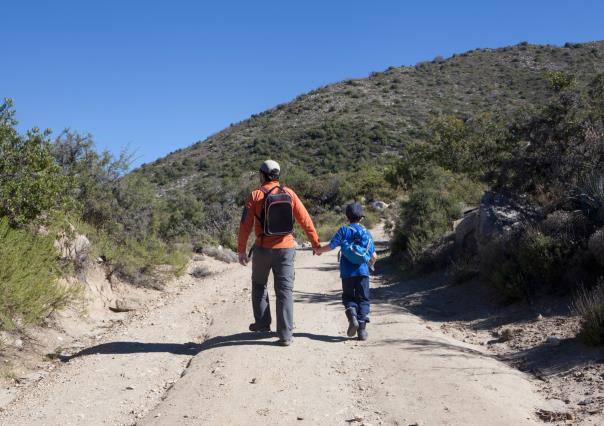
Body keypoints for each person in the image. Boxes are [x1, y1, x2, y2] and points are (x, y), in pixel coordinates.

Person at [238, 160, 321, 346]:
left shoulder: (255, 195)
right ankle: (285, 335)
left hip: (262, 248)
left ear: (262, 175)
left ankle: (262, 323)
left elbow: (245, 225)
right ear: (277, 174)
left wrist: (241, 250)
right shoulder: (289, 193)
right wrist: (315, 242)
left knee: (259, 285)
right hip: (286, 249)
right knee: (284, 292)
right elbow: (305, 219)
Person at [314, 202, 377, 340]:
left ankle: (352, 317)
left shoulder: (343, 230)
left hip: (347, 273)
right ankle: (361, 330)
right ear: (361, 217)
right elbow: (373, 256)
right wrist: (370, 264)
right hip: (363, 272)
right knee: (363, 299)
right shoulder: (367, 232)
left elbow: (331, 246)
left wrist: (318, 250)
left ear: (347, 217)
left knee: (348, 297)